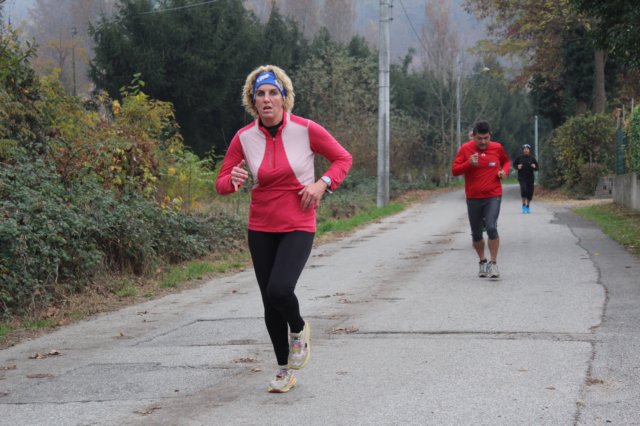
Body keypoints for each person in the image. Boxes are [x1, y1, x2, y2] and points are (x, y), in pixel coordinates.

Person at [215, 65, 352, 393]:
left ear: (284, 98)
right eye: (260, 94)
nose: (267, 99)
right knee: (268, 301)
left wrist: (321, 184)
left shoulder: (306, 129)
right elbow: (221, 183)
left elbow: (343, 159)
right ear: (253, 100)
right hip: (261, 226)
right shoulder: (244, 137)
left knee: (280, 290)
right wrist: (232, 180)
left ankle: (299, 328)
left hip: (298, 222)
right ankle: (283, 370)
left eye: (273, 93)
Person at [452, 121, 510, 279]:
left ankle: (493, 263)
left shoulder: (497, 147)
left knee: (491, 227)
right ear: (473, 136)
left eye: (486, 138)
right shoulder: (465, 149)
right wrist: (468, 163)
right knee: (477, 234)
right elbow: (455, 170)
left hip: (493, 195)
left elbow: (506, 161)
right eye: (479, 138)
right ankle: (482, 261)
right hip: (473, 197)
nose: (483, 142)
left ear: (490, 135)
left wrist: (504, 172)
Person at [513, 144, 539, 213]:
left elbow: (537, 168)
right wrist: (517, 166)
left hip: (530, 178)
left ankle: (528, 206)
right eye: (524, 149)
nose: (526, 150)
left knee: (530, 192)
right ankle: (523, 205)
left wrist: (534, 167)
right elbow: (514, 165)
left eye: (527, 149)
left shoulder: (532, 158)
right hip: (522, 177)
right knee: (524, 190)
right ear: (523, 150)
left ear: (529, 150)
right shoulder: (519, 158)